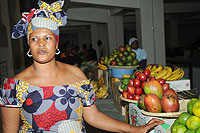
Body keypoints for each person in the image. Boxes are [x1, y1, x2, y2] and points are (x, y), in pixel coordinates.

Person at [0, 0, 164, 132]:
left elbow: (93, 117)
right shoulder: (14, 86)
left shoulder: (76, 74)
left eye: (47, 38)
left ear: (57, 43)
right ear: (29, 44)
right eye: (34, 38)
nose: (41, 43)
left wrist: (132, 129)